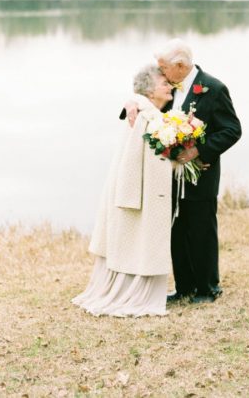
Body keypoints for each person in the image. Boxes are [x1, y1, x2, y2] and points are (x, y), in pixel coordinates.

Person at [125, 38, 242, 304]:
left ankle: (207, 288)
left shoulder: (213, 88)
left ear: (180, 65)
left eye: (164, 67)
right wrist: (131, 102)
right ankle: (184, 286)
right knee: (177, 231)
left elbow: (232, 130)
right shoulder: (168, 87)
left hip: (201, 172)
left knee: (201, 230)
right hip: (169, 177)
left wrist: (198, 151)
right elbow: (145, 97)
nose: (160, 72)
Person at [72, 65, 173, 316]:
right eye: (164, 83)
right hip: (140, 191)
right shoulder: (144, 114)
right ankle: (136, 291)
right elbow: (133, 158)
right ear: (150, 91)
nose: (169, 86)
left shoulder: (148, 112)